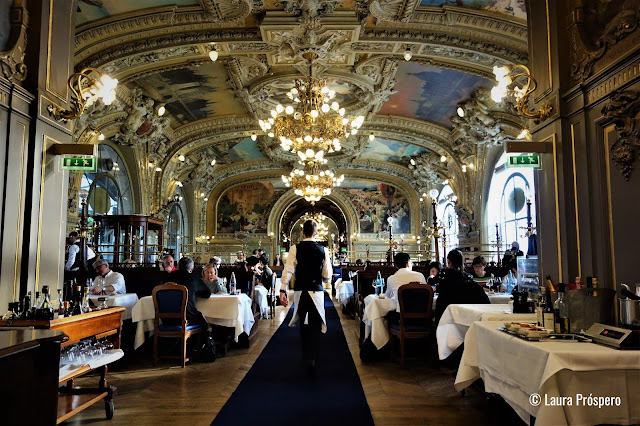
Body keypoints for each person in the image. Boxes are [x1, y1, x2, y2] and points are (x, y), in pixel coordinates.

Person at [280, 219, 332, 375]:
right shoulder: (323, 250)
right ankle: (313, 357)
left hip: (300, 291)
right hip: (316, 291)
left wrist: (282, 289)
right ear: (316, 233)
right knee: (315, 324)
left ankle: (306, 356)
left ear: (303, 232)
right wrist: (324, 278)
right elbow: (327, 275)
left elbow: (288, 270)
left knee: (304, 323)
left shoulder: (295, 248)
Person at [433, 250, 489, 324]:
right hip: (467, 319)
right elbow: (486, 303)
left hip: (445, 318)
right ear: (463, 262)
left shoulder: (443, 276)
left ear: (449, 262)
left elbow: (434, 286)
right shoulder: (468, 278)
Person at [169, 257, 211, 330]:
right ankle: (202, 340)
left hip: (167, 318)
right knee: (204, 324)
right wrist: (194, 292)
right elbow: (207, 294)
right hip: (187, 317)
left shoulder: (167, 277)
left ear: (178, 266)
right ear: (191, 268)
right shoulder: (194, 278)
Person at [253, 254, 273, 319]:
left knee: (253, 290)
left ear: (261, 262)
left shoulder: (266, 270)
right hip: (266, 288)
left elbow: (263, 283)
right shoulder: (267, 269)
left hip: (265, 289)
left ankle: (256, 310)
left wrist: (256, 283)